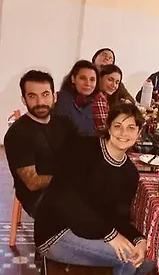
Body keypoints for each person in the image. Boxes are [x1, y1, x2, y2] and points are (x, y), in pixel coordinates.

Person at [34, 103, 154, 275]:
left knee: (147, 262)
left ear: (139, 133)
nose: (123, 133)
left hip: (90, 231)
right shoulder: (84, 149)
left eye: (131, 127)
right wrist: (109, 235)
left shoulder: (129, 173)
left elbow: (119, 217)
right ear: (108, 128)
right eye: (118, 126)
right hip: (56, 231)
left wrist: (138, 239)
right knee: (128, 261)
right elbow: (67, 201)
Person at [4, 70, 76, 218]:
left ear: (54, 97)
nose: (40, 102)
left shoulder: (63, 122)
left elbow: (81, 152)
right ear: (24, 99)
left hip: (69, 189)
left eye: (45, 94)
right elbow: (33, 182)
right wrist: (72, 178)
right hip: (39, 200)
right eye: (32, 96)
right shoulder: (17, 134)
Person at [54, 60, 102, 136]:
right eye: (83, 78)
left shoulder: (93, 102)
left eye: (92, 79)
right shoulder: (61, 99)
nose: (88, 84)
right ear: (73, 79)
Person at [92, 64, 124, 133]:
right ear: (100, 78)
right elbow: (104, 129)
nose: (114, 85)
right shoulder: (99, 98)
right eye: (110, 80)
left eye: (117, 82)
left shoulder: (105, 97)